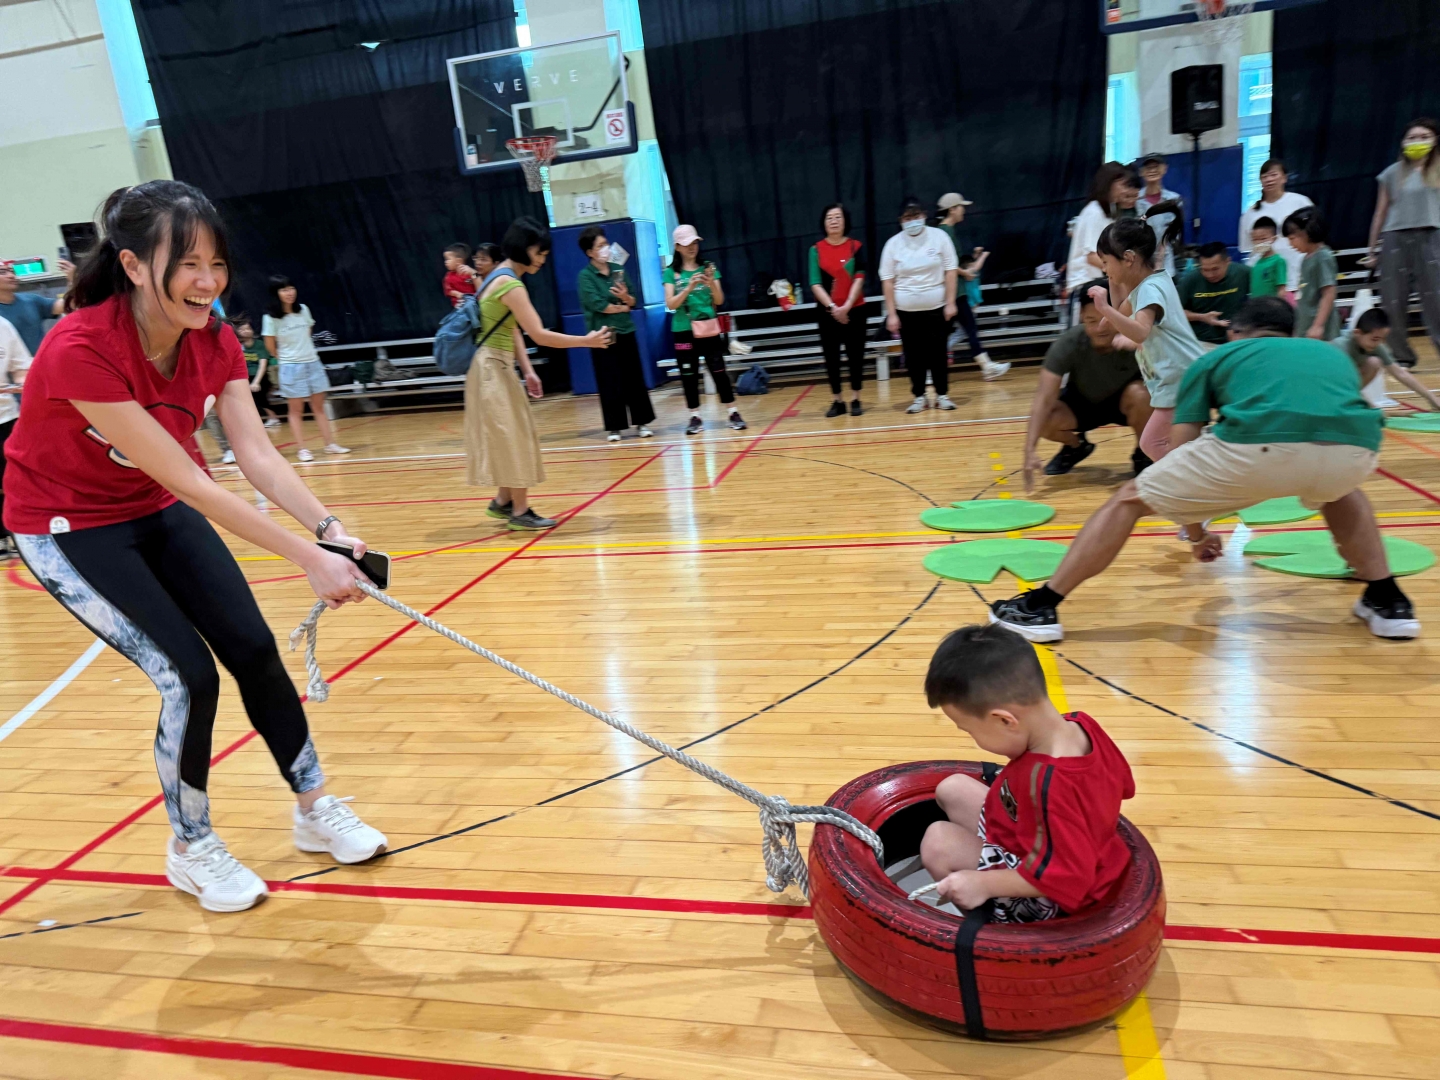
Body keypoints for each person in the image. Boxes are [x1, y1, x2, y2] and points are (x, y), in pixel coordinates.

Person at [3, 181, 389, 913]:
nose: (207, 280)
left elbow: (258, 455)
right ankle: (192, 847)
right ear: (135, 265)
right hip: (64, 527)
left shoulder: (213, 340)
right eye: (186, 263)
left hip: (152, 508)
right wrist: (308, 560)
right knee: (187, 676)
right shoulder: (80, 347)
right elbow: (189, 477)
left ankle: (314, 808)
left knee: (251, 646)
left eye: (216, 262)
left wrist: (329, 530)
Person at [989, 296, 1418, 643]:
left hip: (1257, 447)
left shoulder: (1222, 354)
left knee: (1128, 499)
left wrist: (1196, 536)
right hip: (1357, 450)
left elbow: (1182, 452)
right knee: (1340, 490)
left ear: (1235, 331)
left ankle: (1041, 606)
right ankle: (1388, 600)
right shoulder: (1330, 352)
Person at [918, 624, 1135, 922]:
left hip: (1048, 892)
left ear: (1006, 721)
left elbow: (1068, 876)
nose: (972, 739)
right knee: (952, 787)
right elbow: (1123, 786)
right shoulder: (1080, 724)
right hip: (1031, 840)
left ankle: (986, 925)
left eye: (969, 730)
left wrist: (980, 884)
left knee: (938, 843)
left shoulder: (1050, 785)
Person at [470, 217, 611, 529]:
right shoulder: (510, 283)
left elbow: (513, 330)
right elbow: (539, 335)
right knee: (514, 438)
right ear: (524, 249)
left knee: (511, 434)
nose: (543, 259)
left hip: (494, 365)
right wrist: (586, 341)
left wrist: (528, 371)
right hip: (494, 367)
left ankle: (503, 501)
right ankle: (520, 512)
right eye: (540, 252)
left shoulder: (499, 276)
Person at [1086, 219, 1205, 469]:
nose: (1104, 269)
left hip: (1181, 379)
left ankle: (1191, 484)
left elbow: (1139, 331)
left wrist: (1105, 309)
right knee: (1172, 444)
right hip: (1182, 377)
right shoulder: (1148, 285)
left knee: (1153, 443)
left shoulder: (1150, 289)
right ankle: (1194, 481)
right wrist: (1109, 311)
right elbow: (1121, 310)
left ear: (1128, 258)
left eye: (1106, 262)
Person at [1023, 283, 1151, 485]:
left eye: (1106, 320)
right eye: (1092, 320)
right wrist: (1029, 451)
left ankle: (1143, 453)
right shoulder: (1070, 342)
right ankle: (1076, 446)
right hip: (1082, 404)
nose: (1100, 328)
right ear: (1081, 316)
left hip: (1124, 404)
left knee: (1143, 395)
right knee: (1045, 417)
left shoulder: (1136, 337)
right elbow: (1043, 398)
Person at [1365, 119, 1440, 369]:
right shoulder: (1391, 173)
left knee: (1436, 301)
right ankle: (1402, 356)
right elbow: (1380, 212)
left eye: (1424, 136)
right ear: (1403, 142)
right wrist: (1372, 248)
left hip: (1432, 236)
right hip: (1395, 238)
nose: (1417, 141)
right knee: (1393, 302)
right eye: (1412, 137)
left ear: (1435, 139)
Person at [576, 225, 655, 441]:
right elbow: (599, 305)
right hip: (603, 334)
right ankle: (614, 427)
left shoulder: (618, 270)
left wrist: (626, 298)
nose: (606, 248)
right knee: (609, 380)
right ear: (590, 252)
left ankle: (642, 423)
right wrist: (622, 306)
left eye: (606, 244)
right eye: (600, 246)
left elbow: (633, 300)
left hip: (625, 329)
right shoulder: (586, 277)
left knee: (634, 378)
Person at [664, 225, 745, 436]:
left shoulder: (708, 267)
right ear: (677, 247)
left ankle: (733, 412)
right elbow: (671, 304)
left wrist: (711, 284)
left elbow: (719, 300)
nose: (692, 247)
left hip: (708, 327)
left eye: (695, 242)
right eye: (687, 243)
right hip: (683, 329)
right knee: (688, 374)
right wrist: (688, 288)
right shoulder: (671, 273)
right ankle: (694, 416)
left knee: (718, 370)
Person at [880, 197, 960, 413]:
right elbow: (887, 280)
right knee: (914, 357)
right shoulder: (893, 244)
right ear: (901, 220)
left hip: (936, 308)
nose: (912, 221)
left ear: (924, 216)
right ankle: (919, 396)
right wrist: (892, 314)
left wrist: (950, 302)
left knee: (938, 354)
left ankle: (942, 395)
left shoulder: (939, 237)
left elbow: (951, 270)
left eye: (916, 216)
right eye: (908, 218)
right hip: (906, 311)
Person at [263, 276, 349, 462]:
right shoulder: (270, 318)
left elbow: (308, 332)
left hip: (313, 363)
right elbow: (270, 346)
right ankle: (302, 449)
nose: (289, 292)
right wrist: (287, 358)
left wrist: (304, 352)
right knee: (296, 410)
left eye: (291, 287)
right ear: (276, 293)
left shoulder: (303, 310)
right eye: (284, 289)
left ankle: (330, 444)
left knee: (319, 407)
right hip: (291, 367)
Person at [936, 192, 1008, 381]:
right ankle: (986, 367)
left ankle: (986, 367)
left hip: (955, 292)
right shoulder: (944, 232)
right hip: (952, 293)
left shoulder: (947, 231)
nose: (963, 211)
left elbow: (954, 262)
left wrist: (970, 262)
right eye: (961, 207)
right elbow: (946, 263)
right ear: (952, 210)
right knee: (958, 331)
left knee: (965, 329)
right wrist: (964, 273)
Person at [809, 203, 869, 417]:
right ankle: (837, 400)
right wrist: (834, 308)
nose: (834, 221)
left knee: (856, 355)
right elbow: (815, 283)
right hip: (827, 313)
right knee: (831, 357)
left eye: (838, 217)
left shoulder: (856, 246)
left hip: (856, 310)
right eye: (829, 218)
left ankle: (855, 398)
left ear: (845, 221)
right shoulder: (815, 250)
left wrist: (847, 306)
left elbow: (860, 277)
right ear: (824, 223)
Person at [1065, 163, 1141, 310]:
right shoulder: (1095, 212)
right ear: (1109, 184)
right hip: (1086, 287)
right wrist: (1122, 271)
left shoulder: (1108, 213)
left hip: (1097, 285)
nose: (1124, 191)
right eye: (1122, 185)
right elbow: (1092, 257)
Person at [1337, 308, 1440, 411]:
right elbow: (1341, 383)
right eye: (1375, 339)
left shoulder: (1375, 344)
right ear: (1357, 333)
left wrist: (1432, 399)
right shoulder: (1341, 347)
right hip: (1327, 386)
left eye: (1382, 339)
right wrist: (1372, 409)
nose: (1378, 344)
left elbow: (1400, 373)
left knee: (1374, 362)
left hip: (1342, 385)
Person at [1238, 158, 1312, 287]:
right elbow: (1247, 248)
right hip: (1264, 280)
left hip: (1296, 275)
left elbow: (1313, 237)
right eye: (1264, 176)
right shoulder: (1250, 213)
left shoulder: (1301, 203)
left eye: (1273, 175)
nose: (1269, 179)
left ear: (1284, 178)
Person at [0, 315, 32, 559]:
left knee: (11, 481)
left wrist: (22, 382)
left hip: (6, 416)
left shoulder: (3, 325)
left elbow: (22, 369)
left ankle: (13, 535)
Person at [1179, 241, 1251, 346]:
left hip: (1236, 341)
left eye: (1215, 269)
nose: (1210, 275)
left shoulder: (1243, 273)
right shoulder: (1190, 280)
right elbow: (1176, 313)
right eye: (1205, 270)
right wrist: (1202, 317)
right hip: (1200, 341)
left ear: (1227, 262)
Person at [1285, 207, 1339, 341]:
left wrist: (1318, 326)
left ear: (1307, 233)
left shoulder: (1323, 257)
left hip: (1321, 331)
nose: (1290, 244)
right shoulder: (1306, 259)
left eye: (1292, 238)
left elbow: (1328, 293)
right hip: (1306, 327)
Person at [0, 259, 71, 356]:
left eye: (12, 271)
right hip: (10, 369)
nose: (11, 276)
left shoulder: (30, 300)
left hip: (43, 364)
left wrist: (72, 279)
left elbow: (70, 304)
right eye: (2, 272)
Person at [1135, 153, 1183, 276]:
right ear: (1141, 172)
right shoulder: (1134, 199)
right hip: (1140, 261)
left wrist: (1159, 260)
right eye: (1148, 168)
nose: (1152, 170)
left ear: (1164, 169)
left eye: (1156, 167)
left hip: (1165, 262)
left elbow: (1173, 233)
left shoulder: (1174, 199)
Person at [236, 316, 281, 428]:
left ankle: (273, 417)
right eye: (242, 329)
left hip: (260, 377)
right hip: (245, 377)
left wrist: (256, 382)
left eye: (247, 328)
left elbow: (263, 364)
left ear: (252, 330)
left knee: (259, 397)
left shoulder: (260, 344)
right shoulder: (238, 346)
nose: (245, 331)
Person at [1246, 217, 1288, 300]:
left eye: (1263, 238)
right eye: (1255, 239)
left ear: (1274, 238)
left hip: (1270, 307)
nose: (1259, 242)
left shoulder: (1278, 261)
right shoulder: (1256, 263)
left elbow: (1281, 290)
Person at [443, 243, 477, 308]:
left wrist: (473, 274)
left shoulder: (470, 272)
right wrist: (459, 294)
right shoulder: (448, 276)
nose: (445, 262)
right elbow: (448, 290)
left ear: (459, 261)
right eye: (445, 259)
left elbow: (477, 280)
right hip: (460, 304)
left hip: (475, 301)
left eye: (448, 259)